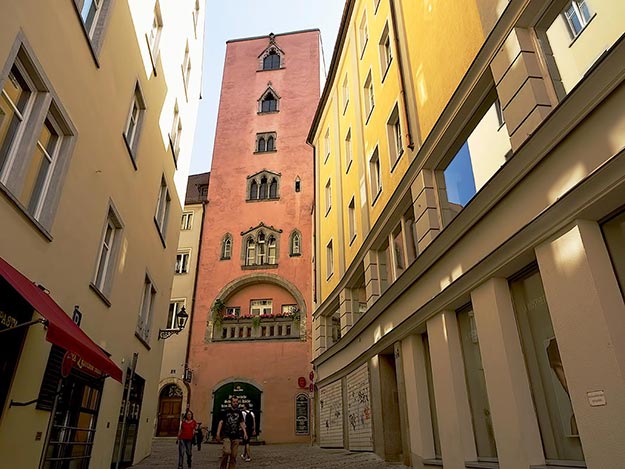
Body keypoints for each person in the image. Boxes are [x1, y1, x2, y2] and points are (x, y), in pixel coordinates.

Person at [216, 397, 248, 469]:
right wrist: (218, 433)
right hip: (226, 434)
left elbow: (241, 422)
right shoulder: (226, 411)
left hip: (236, 436)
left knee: (234, 455)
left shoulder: (239, 412)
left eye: (236, 402)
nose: (235, 403)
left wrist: (245, 432)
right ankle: (223, 467)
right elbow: (221, 422)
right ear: (231, 402)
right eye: (234, 402)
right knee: (227, 452)